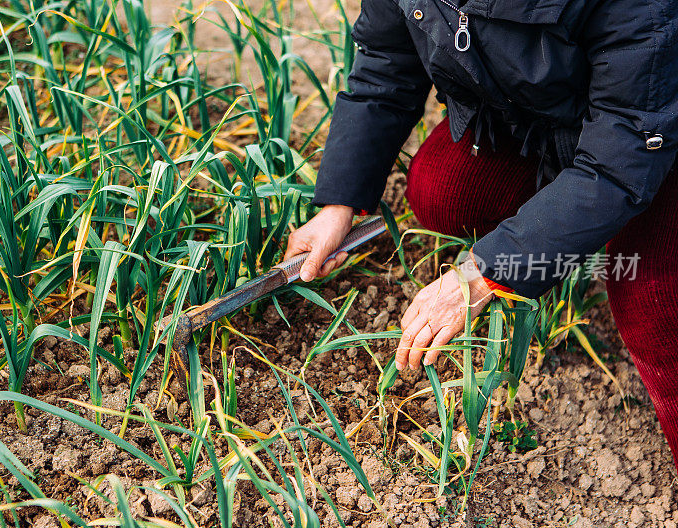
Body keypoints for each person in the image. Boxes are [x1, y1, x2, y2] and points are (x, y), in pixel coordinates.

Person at [283, 0, 678, 468]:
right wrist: (339, 203)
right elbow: (385, 71)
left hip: (654, 123)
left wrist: (486, 272)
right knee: (443, 191)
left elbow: (622, 156)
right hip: (561, 116)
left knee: (650, 298)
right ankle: (571, 226)